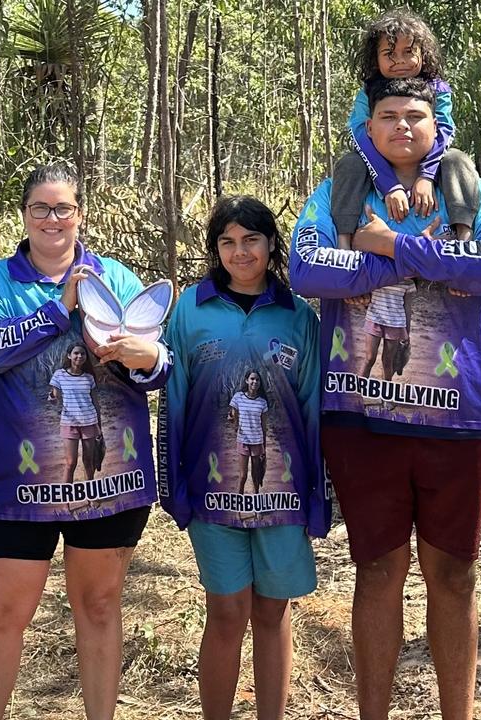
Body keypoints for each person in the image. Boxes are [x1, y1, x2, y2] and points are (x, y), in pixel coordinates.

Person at [290, 77, 481, 720]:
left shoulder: (475, 195)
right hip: (362, 419)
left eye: (414, 114)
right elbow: (308, 270)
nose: (400, 126)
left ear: (435, 124)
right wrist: (432, 261)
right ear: (368, 128)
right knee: (377, 571)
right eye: (387, 115)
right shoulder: (341, 196)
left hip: (459, 418)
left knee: (454, 575)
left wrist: (386, 245)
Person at [0, 164, 169, 720]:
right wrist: (61, 309)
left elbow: (158, 367)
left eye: (64, 208)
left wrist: (147, 359)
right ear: (24, 215)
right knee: (6, 614)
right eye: (40, 209)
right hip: (19, 490)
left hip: (109, 485)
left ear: (80, 214)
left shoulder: (118, 279)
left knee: (99, 607)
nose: (52, 219)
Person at [160, 196, 329, 720]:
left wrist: (318, 495)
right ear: (215, 248)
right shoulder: (191, 309)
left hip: (283, 492)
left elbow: (313, 407)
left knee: (273, 611)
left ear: (271, 244)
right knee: (227, 611)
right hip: (214, 496)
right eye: (228, 242)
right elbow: (174, 401)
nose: (240, 252)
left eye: (251, 240)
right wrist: (175, 486)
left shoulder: (299, 314)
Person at [332, 8, 480, 249]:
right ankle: (344, 245)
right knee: (349, 163)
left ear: (423, 54)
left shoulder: (438, 88)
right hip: (377, 165)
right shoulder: (367, 92)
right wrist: (388, 184)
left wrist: (426, 175)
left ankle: (464, 240)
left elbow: (443, 130)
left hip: (429, 163)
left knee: (457, 160)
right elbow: (359, 134)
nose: (399, 60)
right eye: (389, 53)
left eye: (408, 52)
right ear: (375, 58)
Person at [48, 342, 104, 485]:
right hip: (69, 423)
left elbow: (95, 402)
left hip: (89, 422)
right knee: (71, 463)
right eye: (76, 353)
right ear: (69, 355)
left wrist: (99, 425)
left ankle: (91, 496)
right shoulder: (59, 375)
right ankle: (67, 501)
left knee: (88, 461)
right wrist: (52, 398)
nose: (79, 356)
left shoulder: (89, 378)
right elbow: (54, 400)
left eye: (82, 353)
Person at [227, 369, 270, 495]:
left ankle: (256, 506)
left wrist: (264, 446)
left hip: (257, 442)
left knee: (256, 476)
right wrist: (231, 419)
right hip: (243, 441)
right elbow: (232, 416)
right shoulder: (238, 397)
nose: (254, 382)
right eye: (252, 379)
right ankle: (238, 506)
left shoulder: (262, 402)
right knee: (243, 476)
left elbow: (263, 426)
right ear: (247, 380)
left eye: (257, 379)